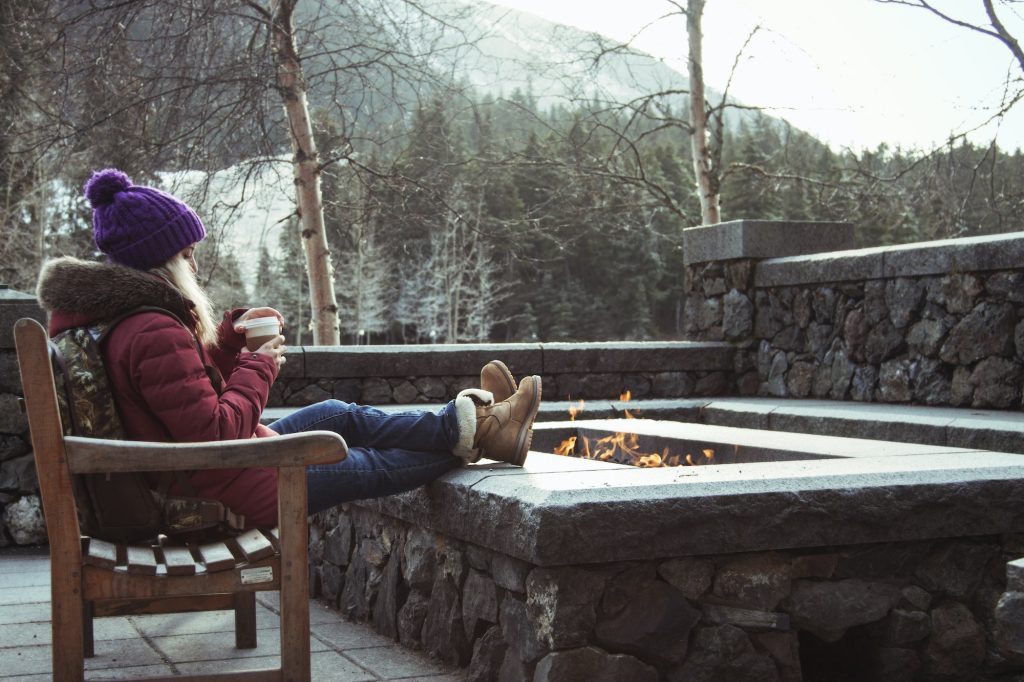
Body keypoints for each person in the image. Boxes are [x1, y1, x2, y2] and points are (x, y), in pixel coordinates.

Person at [36, 168, 541, 529]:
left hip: (207, 468)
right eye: (188, 256)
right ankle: (486, 435)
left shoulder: (125, 321)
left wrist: (229, 344)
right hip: (215, 484)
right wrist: (257, 366)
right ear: (162, 262)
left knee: (336, 412)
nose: (195, 268)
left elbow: (177, 402)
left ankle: (463, 425)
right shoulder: (150, 329)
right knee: (369, 465)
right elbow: (214, 433)